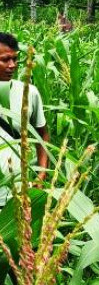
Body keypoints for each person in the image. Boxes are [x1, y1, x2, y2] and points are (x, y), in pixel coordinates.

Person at [0, 33, 49, 205]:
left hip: (21, 193)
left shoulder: (29, 92)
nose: (12, 65)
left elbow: (42, 135)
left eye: (15, 59)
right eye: (5, 60)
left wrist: (42, 173)